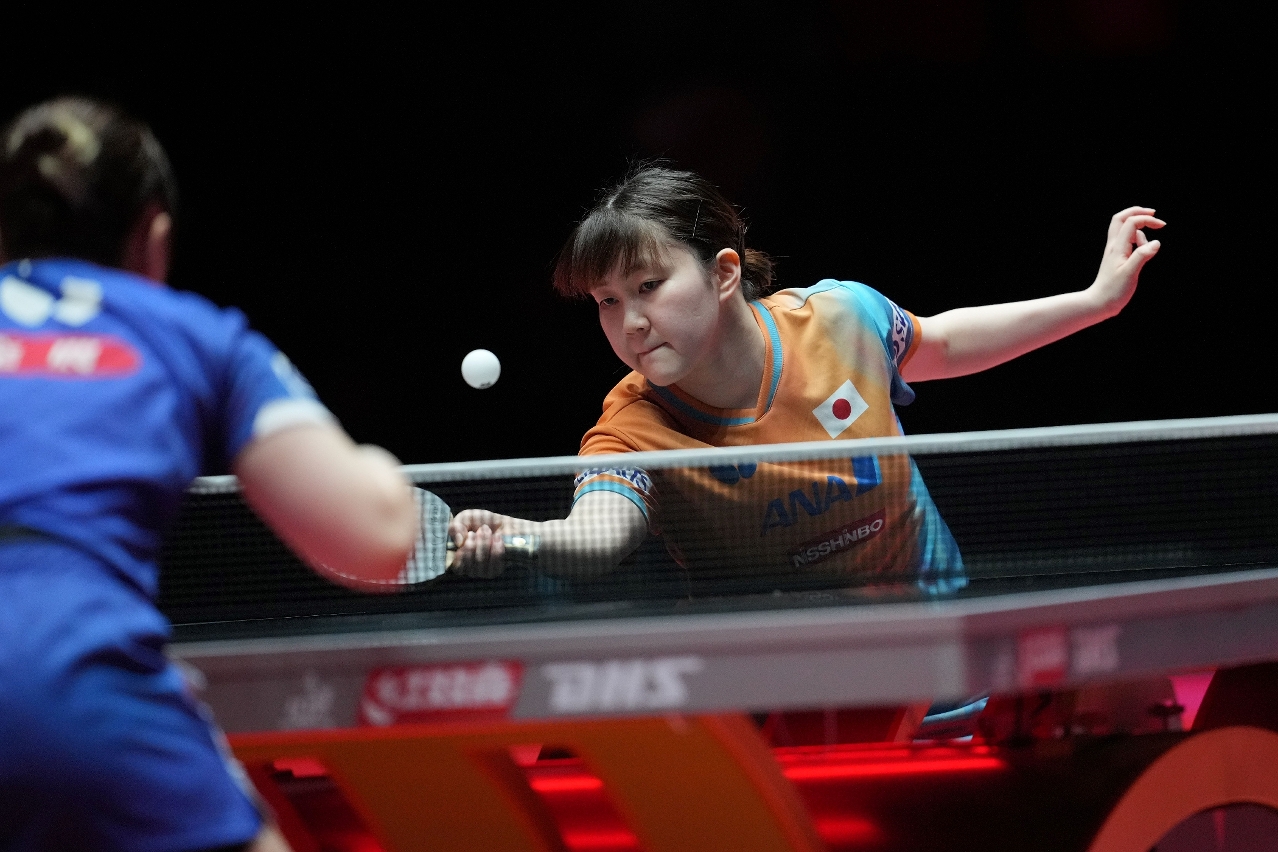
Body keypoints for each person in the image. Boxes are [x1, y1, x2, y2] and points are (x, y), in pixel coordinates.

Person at [0, 97, 419, 852]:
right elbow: (378, 538)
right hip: (63, 683)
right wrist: (378, 470)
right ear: (153, 237)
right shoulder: (190, 335)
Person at [446, 166, 1163, 592]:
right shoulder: (634, 428)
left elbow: (943, 342)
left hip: (939, 660)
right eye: (607, 301)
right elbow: (598, 535)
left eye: (648, 285)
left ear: (724, 273)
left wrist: (1095, 303)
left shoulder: (841, 320)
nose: (630, 321)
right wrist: (524, 537)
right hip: (781, 698)